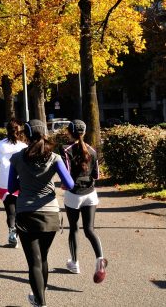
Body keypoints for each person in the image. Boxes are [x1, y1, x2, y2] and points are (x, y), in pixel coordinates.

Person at [8, 120, 74, 307]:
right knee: (43, 258)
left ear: (26, 135)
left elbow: (11, 187)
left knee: (34, 262)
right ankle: (39, 297)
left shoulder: (18, 157)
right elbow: (69, 184)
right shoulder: (54, 158)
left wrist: (25, 183)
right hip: (50, 214)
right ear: (45, 133)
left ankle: (40, 301)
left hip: (26, 214)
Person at [61, 119, 108, 283]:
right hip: (90, 194)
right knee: (90, 230)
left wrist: (64, 185)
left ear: (69, 132)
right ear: (84, 132)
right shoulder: (92, 150)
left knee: (74, 228)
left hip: (73, 195)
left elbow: (66, 175)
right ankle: (100, 259)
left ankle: (74, 264)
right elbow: (96, 175)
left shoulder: (66, 149)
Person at [0, 118, 28, 247]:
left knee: (10, 211)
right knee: (20, 210)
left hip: (5, 183)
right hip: (21, 182)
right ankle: (20, 233)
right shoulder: (24, 146)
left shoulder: (0, 145)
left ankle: (12, 232)